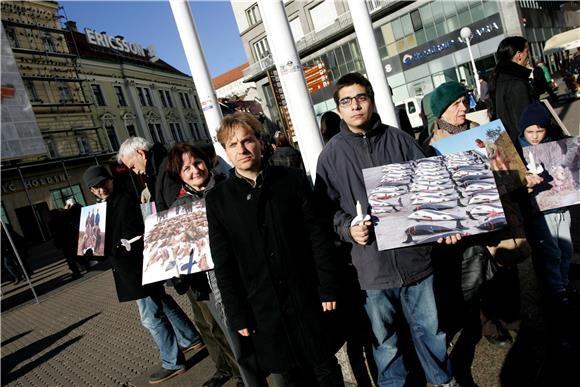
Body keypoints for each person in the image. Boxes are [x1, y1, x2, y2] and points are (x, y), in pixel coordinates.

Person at [315, 72, 459, 387]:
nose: (355, 106)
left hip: (415, 260)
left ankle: (443, 379)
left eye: (361, 98)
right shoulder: (330, 156)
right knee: (385, 342)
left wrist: (446, 223)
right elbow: (325, 212)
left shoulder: (400, 140)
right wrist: (347, 230)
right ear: (339, 109)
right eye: (346, 101)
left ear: (371, 100)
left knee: (431, 331)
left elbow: (430, 188)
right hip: (371, 268)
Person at [206, 112, 344, 386]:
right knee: (290, 377)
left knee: (326, 369)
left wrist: (327, 286)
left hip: (306, 297)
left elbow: (318, 238)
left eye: (247, 140)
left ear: (260, 141)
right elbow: (224, 263)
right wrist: (237, 313)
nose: (242, 149)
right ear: (225, 152)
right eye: (233, 145)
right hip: (263, 307)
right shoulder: (218, 199)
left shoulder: (290, 180)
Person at [82, 165, 203, 384]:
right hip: (131, 269)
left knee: (150, 318)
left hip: (137, 268)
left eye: (102, 184)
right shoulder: (100, 207)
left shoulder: (124, 200)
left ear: (110, 180)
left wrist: (117, 245)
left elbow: (134, 233)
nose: (100, 190)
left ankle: (173, 362)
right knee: (163, 303)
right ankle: (191, 338)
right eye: (95, 188)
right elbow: (102, 245)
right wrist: (92, 249)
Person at [165, 143, 245, 387]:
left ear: (207, 162)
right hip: (207, 281)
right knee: (225, 331)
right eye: (186, 168)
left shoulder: (229, 189)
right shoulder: (178, 209)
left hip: (241, 273)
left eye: (197, 162)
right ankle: (244, 375)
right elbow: (175, 252)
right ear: (179, 175)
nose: (194, 170)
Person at [518, 102, 577, 309]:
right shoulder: (519, 152)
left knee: (566, 248)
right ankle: (556, 289)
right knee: (551, 251)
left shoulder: (556, 146)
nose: (534, 136)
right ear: (523, 131)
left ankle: (565, 282)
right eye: (529, 131)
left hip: (562, 205)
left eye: (539, 130)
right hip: (540, 211)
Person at [489, 36, 537, 150]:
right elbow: (525, 123)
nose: (529, 56)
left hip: (509, 144)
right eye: (527, 51)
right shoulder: (516, 83)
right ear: (519, 55)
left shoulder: (498, 79)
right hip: (524, 147)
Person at [117, 136, 181, 210]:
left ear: (141, 154)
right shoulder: (154, 173)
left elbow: (172, 205)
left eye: (133, 166)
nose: (136, 172)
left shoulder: (167, 167)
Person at [422, 80, 479, 151]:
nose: (464, 108)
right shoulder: (432, 145)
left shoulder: (476, 128)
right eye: (456, 104)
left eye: (464, 102)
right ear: (442, 112)